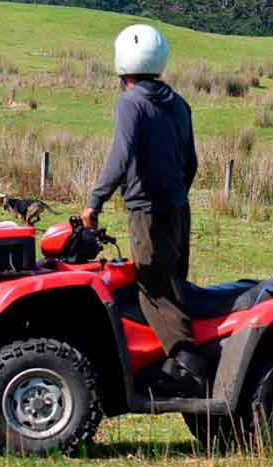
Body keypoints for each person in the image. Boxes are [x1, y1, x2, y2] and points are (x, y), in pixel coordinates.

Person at [78, 24, 205, 396]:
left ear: (122, 65)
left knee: (152, 287)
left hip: (147, 211)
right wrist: (177, 197)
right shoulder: (180, 104)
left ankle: (187, 362)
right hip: (179, 209)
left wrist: (94, 201)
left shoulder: (130, 102)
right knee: (173, 283)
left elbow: (121, 155)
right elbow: (191, 162)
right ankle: (173, 359)